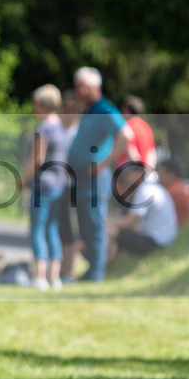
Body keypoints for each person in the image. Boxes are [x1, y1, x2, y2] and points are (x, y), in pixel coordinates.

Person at [66, 66, 134, 281]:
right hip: (81, 179)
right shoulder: (88, 110)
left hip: (94, 179)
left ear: (98, 87)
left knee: (95, 225)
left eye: (85, 87)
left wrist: (104, 163)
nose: (81, 91)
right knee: (85, 225)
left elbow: (126, 135)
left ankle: (97, 272)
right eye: (78, 87)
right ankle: (91, 269)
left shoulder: (105, 109)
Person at [18, 85, 67, 290]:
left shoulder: (44, 128)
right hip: (59, 183)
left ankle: (39, 277)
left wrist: (21, 179)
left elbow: (37, 158)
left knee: (37, 229)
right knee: (52, 229)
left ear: (43, 105)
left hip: (43, 184)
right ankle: (54, 277)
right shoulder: (61, 127)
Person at [108, 162, 177, 260]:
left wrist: (108, 222)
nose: (127, 176)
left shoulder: (145, 191)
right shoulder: (150, 187)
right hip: (164, 240)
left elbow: (128, 222)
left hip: (157, 243)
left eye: (130, 173)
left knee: (111, 230)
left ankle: (105, 266)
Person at [56, 90, 83, 281]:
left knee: (69, 228)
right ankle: (59, 269)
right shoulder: (56, 128)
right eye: (65, 107)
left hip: (72, 186)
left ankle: (69, 270)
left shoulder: (79, 132)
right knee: (57, 228)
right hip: (57, 185)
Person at [117, 95, 157, 171]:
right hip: (145, 170)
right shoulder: (146, 127)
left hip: (131, 172)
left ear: (126, 110)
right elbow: (151, 152)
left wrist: (137, 171)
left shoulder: (127, 127)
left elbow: (131, 151)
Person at [156, 157, 189, 227]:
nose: (159, 176)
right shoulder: (175, 187)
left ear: (172, 174)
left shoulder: (174, 191)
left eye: (161, 172)